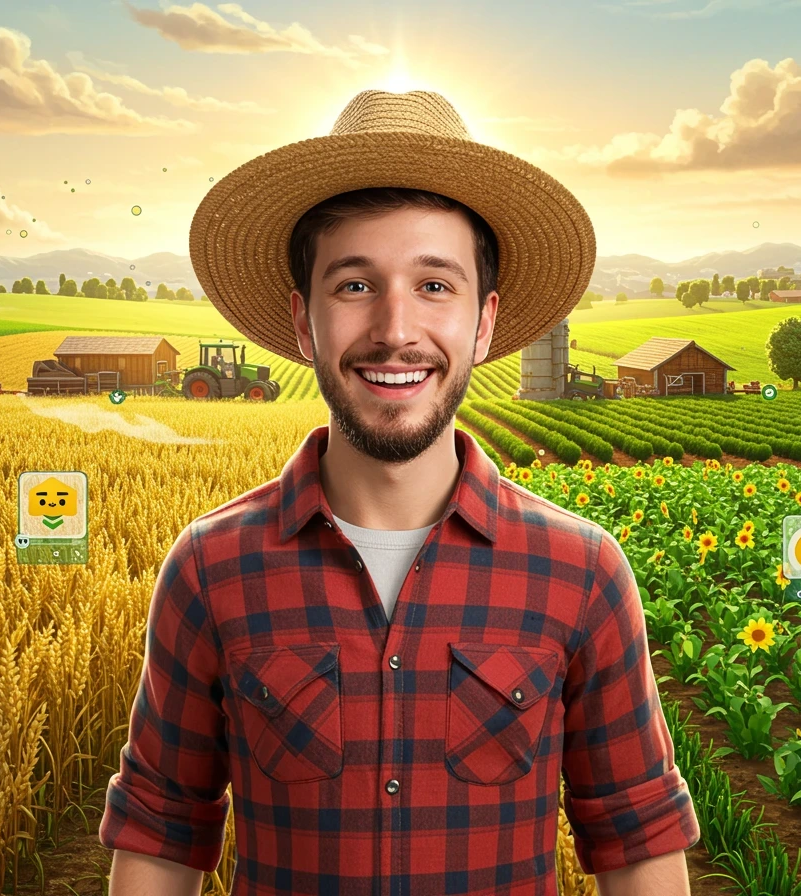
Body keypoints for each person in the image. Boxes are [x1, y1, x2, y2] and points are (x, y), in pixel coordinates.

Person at [101, 89, 699, 896]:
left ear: (483, 323)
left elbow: (638, 841)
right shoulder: (210, 568)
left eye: (434, 286)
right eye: (354, 286)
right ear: (304, 323)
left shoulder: (582, 571)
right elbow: (160, 835)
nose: (394, 329)